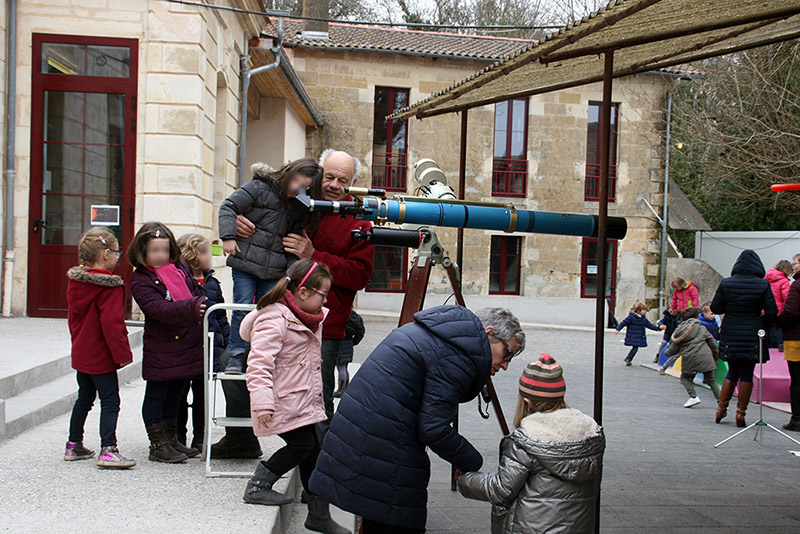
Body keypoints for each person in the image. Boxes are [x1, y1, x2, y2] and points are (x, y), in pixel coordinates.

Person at [309, 306, 525, 533]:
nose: (505, 365)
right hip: (381, 442)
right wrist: (471, 461)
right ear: (488, 333)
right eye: (507, 353)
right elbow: (434, 428)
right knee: (397, 519)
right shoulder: (456, 355)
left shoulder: (442, 335)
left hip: (365, 433)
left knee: (379, 516)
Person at [241, 260, 349, 534]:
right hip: (280, 401)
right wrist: (263, 403)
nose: (326, 300)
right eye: (323, 294)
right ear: (303, 292)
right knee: (302, 446)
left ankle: (318, 513)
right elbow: (259, 365)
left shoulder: (305, 316)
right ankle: (258, 485)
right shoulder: (274, 319)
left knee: (312, 449)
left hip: (299, 399)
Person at [457, 354, 604, 534]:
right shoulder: (590, 434)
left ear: (526, 401)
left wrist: (465, 480)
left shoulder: (527, 441)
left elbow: (502, 488)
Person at [218, 159, 320, 374]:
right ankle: (237, 355)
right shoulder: (259, 187)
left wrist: (291, 273)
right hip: (245, 264)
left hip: (274, 270)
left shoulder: (298, 207)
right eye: (294, 180)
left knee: (268, 313)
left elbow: (291, 243)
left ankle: (260, 355)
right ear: (287, 172)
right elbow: (228, 206)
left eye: (302, 187)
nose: (295, 188)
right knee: (241, 308)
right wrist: (228, 237)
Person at [129, 222, 207, 463]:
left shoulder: (178, 269)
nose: (161, 255)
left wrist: (203, 303)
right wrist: (192, 306)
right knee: (157, 395)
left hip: (186, 344)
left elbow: (196, 293)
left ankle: (172, 439)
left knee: (176, 394)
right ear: (142, 251)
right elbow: (158, 310)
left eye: (164, 250)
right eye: (154, 250)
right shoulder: (141, 279)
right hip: (162, 347)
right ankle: (158, 444)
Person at [64, 227, 136, 469]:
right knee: (110, 400)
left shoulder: (76, 283)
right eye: (116, 252)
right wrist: (122, 354)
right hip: (101, 354)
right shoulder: (109, 287)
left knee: (84, 398)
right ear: (106, 253)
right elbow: (112, 324)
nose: (117, 257)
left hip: (82, 351)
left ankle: (73, 444)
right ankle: (108, 449)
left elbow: (73, 319)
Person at [711, 249, 778, 427]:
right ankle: (740, 414)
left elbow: (716, 308)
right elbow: (772, 311)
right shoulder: (763, 285)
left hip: (731, 331)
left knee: (732, 371)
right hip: (753, 333)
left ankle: (721, 409)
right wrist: (763, 325)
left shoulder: (727, 283)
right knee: (747, 373)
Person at [176, 233, 230, 449]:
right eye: (206, 252)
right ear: (193, 256)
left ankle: (200, 437)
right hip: (185, 349)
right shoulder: (180, 282)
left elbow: (221, 316)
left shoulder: (213, 283)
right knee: (180, 395)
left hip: (208, 348)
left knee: (202, 395)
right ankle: (179, 437)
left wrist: (226, 342)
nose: (210, 256)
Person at [660, 307, 721, 407]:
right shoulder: (702, 328)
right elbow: (713, 344)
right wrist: (716, 356)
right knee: (711, 380)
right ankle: (722, 402)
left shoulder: (680, 331)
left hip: (689, 357)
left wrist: (666, 353)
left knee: (685, 378)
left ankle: (693, 397)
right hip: (705, 356)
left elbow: (673, 349)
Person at [776, 255, 800, 431]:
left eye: (796, 263)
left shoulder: (797, 285)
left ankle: (797, 418)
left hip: (796, 338)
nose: (794, 266)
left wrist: (779, 322)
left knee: (797, 378)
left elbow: (790, 311)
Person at [615, 301, 664, 366]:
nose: (645, 311)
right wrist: (618, 329)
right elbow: (623, 323)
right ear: (638, 311)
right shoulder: (631, 317)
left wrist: (658, 328)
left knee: (635, 348)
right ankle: (628, 359)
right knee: (635, 348)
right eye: (644, 310)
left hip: (639, 336)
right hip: (633, 336)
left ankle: (628, 359)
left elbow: (649, 325)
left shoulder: (643, 319)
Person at [333, 311, 365, 398]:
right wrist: (353, 342)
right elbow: (361, 331)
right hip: (348, 343)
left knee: (341, 367)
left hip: (339, 343)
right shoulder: (355, 317)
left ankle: (341, 390)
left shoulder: (340, 314)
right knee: (344, 367)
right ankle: (345, 388)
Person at [766, 260, 793, 350]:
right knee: (777, 329)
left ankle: (768, 347)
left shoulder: (767, 278)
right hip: (778, 309)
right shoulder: (784, 281)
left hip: (765, 308)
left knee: (768, 329)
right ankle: (777, 346)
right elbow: (786, 297)